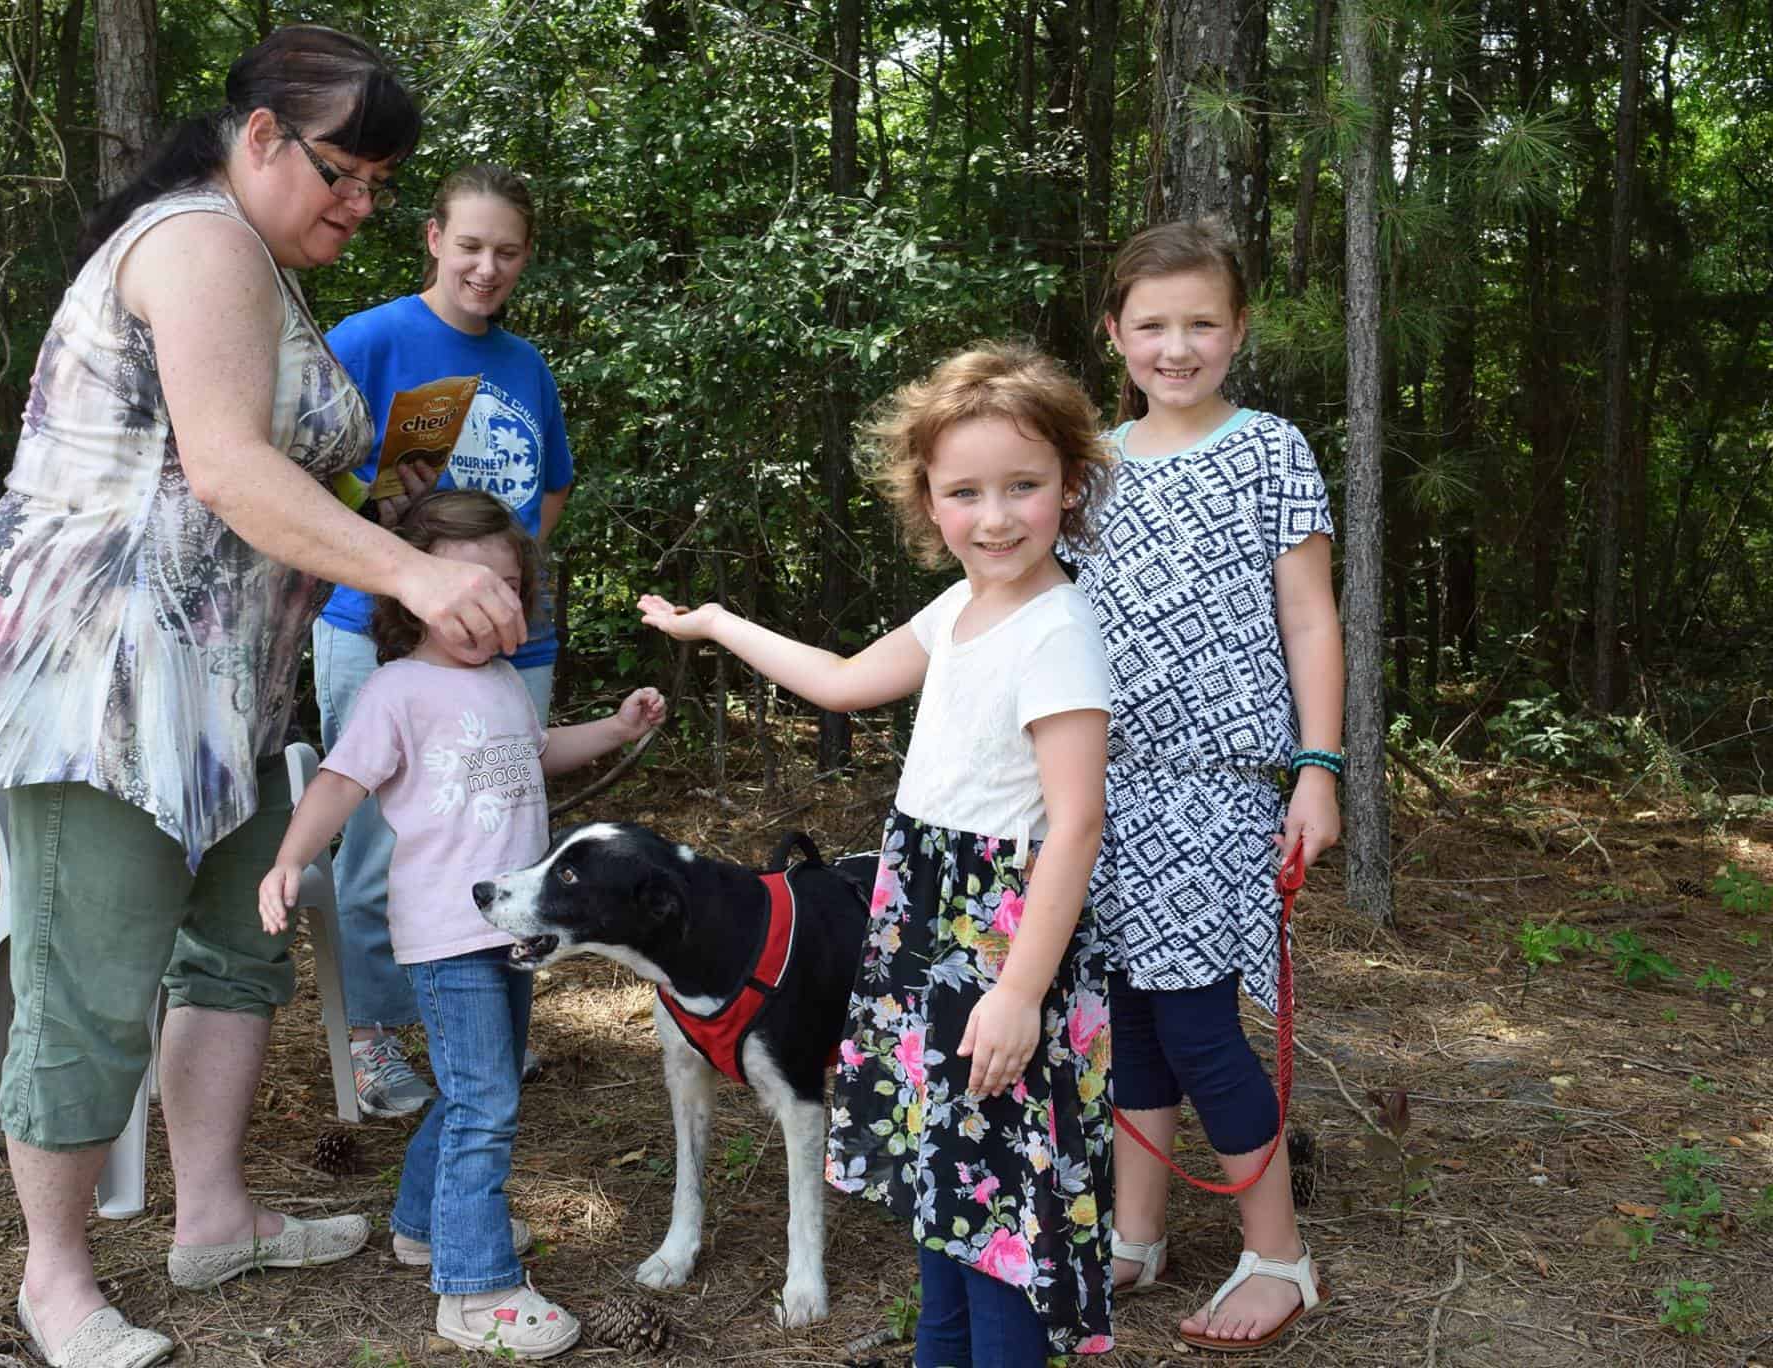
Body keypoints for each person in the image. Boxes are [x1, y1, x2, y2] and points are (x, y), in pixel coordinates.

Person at [0, 28, 529, 1368]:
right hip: (107, 690)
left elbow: (269, 491)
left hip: (228, 692)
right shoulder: (194, 242)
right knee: (94, 981)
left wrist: (401, 518)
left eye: (377, 182)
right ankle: (57, 1280)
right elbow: (232, 471)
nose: (362, 205)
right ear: (260, 139)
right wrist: (412, 570)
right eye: (345, 173)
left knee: (235, 945)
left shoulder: (258, 265)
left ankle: (215, 1223)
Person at [640, 342, 1119, 1363]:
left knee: (995, 1211)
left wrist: (1018, 994)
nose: (994, 517)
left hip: (998, 944)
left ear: (1068, 489)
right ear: (927, 501)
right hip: (922, 927)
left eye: (1022, 488)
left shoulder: (1056, 632)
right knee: (942, 1195)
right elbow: (846, 680)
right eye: (965, 492)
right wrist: (720, 623)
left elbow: (1074, 824)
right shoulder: (959, 607)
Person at [261, 490, 663, 1359]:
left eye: (510, 588)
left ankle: (424, 1226)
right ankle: (475, 1293)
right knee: (487, 1102)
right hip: (448, 934)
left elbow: (535, 750)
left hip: (513, 928)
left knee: (480, 1093)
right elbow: (339, 780)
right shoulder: (397, 689)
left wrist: (615, 727)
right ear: (414, 591)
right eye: (470, 586)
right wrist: (293, 858)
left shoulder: (504, 682)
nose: (492, 606)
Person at [1060, 217, 1342, 1353]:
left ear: (1236, 331)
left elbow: (1308, 615)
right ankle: (1136, 1235)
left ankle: (1278, 1257)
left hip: (1218, 785)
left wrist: (1314, 767)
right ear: (1113, 332)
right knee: (1126, 1015)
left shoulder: (1270, 450)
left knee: (1195, 1020)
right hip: (1104, 788)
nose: (1176, 347)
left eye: (1201, 324)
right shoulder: (1086, 469)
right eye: (1152, 325)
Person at [313, 164, 573, 1117]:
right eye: (470, 245)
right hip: (377, 629)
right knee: (382, 839)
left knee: (503, 817)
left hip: (512, 640)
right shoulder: (370, 339)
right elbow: (303, 477)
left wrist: (513, 581)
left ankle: (487, 1030)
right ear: (433, 239)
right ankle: (375, 1040)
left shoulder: (524, 364)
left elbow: (550, 487)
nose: (486, 267)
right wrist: (383, 505)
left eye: (506, 252)